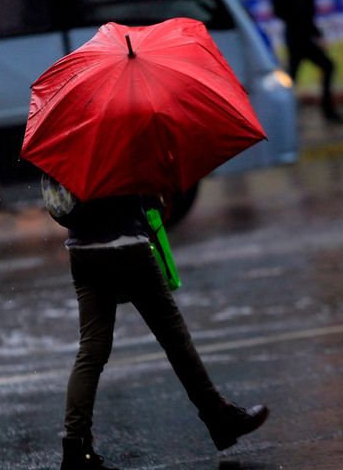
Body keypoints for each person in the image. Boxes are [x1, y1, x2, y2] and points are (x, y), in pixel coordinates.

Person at [41, 174, 269, 470]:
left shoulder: (65, 136)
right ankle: (218, 418)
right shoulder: (117, 131)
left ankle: (75, 447)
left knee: (91, 349)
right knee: (174, 338)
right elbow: (140, 190)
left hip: (82, 250)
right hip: (126, 246)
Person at [272, 0, 343, 124]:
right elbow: (297, 14)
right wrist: (307, 29)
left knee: (295, 77)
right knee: (317, 70)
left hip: (298, 38)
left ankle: (289, 116)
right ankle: (323, 113)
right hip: (299, 40)